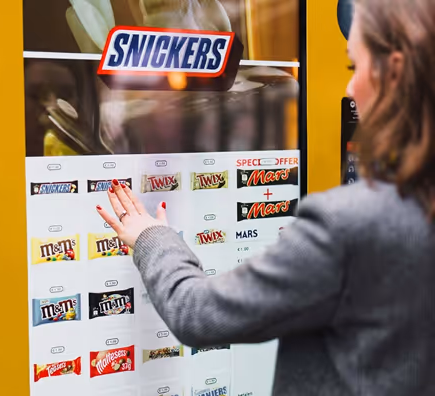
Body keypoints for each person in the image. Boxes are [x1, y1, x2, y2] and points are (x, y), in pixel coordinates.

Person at [96, 0, 435, 394]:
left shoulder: (347, 226)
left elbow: (197, 313)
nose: (349, 88)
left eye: (353, 67)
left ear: (393, 72)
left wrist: (152, 238)